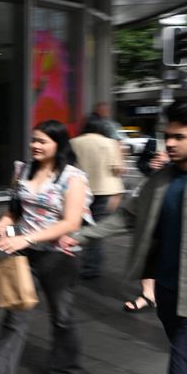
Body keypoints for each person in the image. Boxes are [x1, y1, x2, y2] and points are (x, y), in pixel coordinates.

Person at [61, 101, 187, 374]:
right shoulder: (161, 180)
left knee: (182, 371)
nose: (170, 144)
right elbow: (127, 217)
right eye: (168, 136)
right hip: (168, 290)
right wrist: (80, 235)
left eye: (179, 136)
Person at [0, 120, 93, 374]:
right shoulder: (22, 170)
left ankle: (66, 367)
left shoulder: (73, 178)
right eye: (34, 140)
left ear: (58, 145)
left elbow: (71, 222)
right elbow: (13, 210)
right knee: (15, 316)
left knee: (62, 317)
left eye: (43, 141)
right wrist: (3, 222)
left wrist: (28, 238)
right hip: (25, 255)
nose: (35, 145)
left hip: (60, 257)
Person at [70, 117, 125, 279]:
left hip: (80, 190)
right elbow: (118, 169)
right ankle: (92, 268)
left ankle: (71, 263)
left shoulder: (73, 142)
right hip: (106, 191)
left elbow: (68, 166)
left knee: (75, 227)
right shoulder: (110, 142)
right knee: (97, 229)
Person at [124, 138, 169, 312]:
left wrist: (169, 164)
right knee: (147, 247)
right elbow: (141, 164)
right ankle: (148, 294)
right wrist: (151, 165)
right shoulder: (154, 143)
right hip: (152, 199)